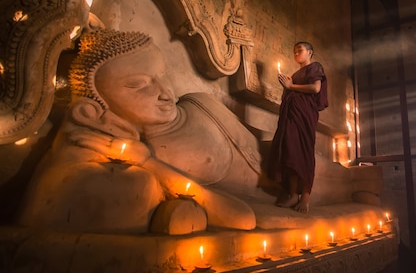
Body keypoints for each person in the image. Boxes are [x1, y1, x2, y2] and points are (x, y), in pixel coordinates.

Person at [17, 29, 269, 233]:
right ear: (91, 113)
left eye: (162, 75)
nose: (164, 92)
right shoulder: (135, 155)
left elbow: (259, 164)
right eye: (138, 85)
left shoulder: (199, 101)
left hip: (274, 176)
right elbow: (242, 216)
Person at [268, 41, 328, 213]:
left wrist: (291, 86)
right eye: (294, 51)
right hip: (291, 117)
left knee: (303, 152)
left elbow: (316, 88)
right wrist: (287, 87)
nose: (296, 54)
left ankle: (305, 198)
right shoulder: (294, 74)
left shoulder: (314, 67)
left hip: (305, 117)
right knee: (290, 151)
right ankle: (293, 194)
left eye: (300, 50)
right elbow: (289, 94)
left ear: (310, 52)